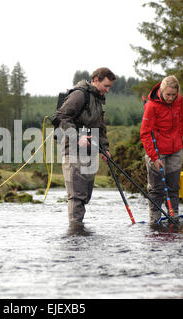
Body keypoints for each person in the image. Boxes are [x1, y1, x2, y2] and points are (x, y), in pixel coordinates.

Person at [53, 67, 116, 225]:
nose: (107, 90)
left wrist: (105, 148)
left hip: (90, 151)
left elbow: (100, 127)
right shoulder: (79, 95)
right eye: (106, 86)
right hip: (73, 151)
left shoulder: (98, 99)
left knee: (85, 195)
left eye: (110, 87)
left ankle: (80, 232)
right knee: (77, 195)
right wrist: (76, 137)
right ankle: (75, 232)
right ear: (96, 80)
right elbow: (60, 116)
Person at [140, 75, 183, 224]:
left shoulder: (179, 100)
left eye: (174, 95)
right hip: (157, 151)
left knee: (173, 186)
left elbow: (180, 123)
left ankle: (173, 216)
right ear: (161, 90)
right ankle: (154, 219)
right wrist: (154, 157)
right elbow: (145, 133)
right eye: (168, 94)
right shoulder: (151, 106)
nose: (171, 98)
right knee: (157, 188)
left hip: (176, 149)